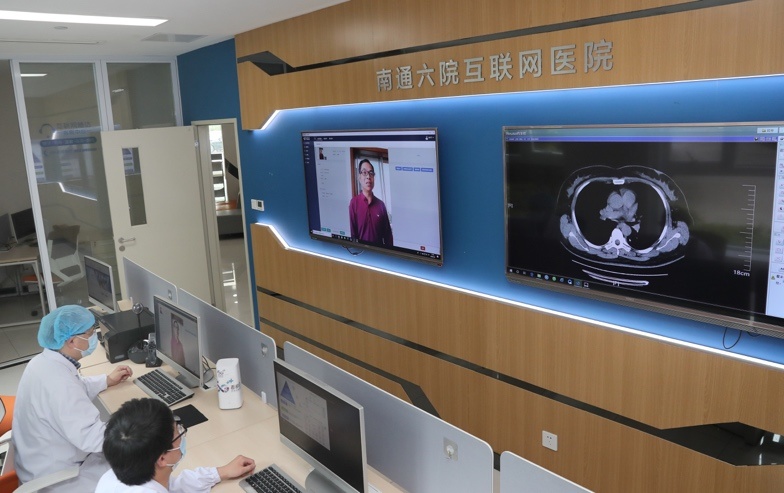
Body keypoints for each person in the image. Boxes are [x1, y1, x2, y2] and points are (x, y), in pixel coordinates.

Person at [12, 305, 133, 492]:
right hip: (59, 479)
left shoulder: (42, 362)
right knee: (139, 470)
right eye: (90, 333)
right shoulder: (60, 383)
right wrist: (139, 432)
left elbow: (76, 386)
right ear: (72, 341)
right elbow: (93, 438)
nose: (94, 337)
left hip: (38, 462)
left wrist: (106, 380)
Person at [97, 397, 256, 492]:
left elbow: (175, 486)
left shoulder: (114, 476)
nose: (182, 434)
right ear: (162, 459)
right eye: (178, 431)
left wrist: (221, 472)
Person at [348, 159, 393, 245]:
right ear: (359, 177)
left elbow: (388, 236)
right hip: (360, 252)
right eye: (364, 172)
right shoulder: (354, 203)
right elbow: (353, 235)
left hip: (379, 252)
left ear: (373, 178)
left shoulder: (381, 205)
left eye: (371, 173)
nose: (368, 176)